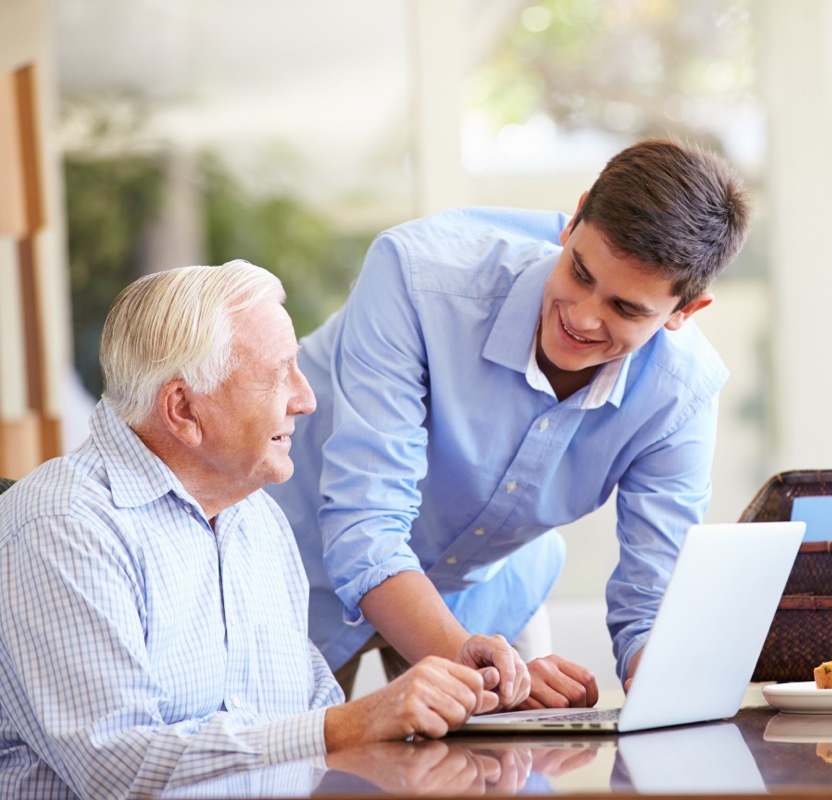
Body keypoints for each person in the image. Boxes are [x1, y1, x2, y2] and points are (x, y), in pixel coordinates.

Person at [0, 261, 528, 799]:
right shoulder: (62, 526)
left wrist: (458, 710)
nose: (306, 398)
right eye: (278, 375)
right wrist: (350, 725)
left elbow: (310, 712)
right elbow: (117, 766)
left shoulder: (257, 519)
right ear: (183, 409)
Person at [266, 137, 751, 706]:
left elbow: (652, 605)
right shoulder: (419, 278)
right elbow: (365, 528)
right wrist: (480, 668)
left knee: (514, 773)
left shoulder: (681, 396)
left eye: (626, 309)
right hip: (300, 573)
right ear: (574, 220)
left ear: (685, 312)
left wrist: (667, 694)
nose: (583, 316)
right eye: (580, 272)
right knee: (297, 774)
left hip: (485, 594)